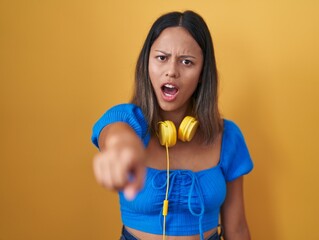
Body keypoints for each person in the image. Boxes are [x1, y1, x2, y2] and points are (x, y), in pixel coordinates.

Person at [91, 10, 253, 240]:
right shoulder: (127, 120)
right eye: (161, 58)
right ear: (146, 63)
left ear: (202, 75)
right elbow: (116, 135)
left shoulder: (228, 137)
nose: (171, 71)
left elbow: (236, 230)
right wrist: (121, 147)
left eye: (187, 62)